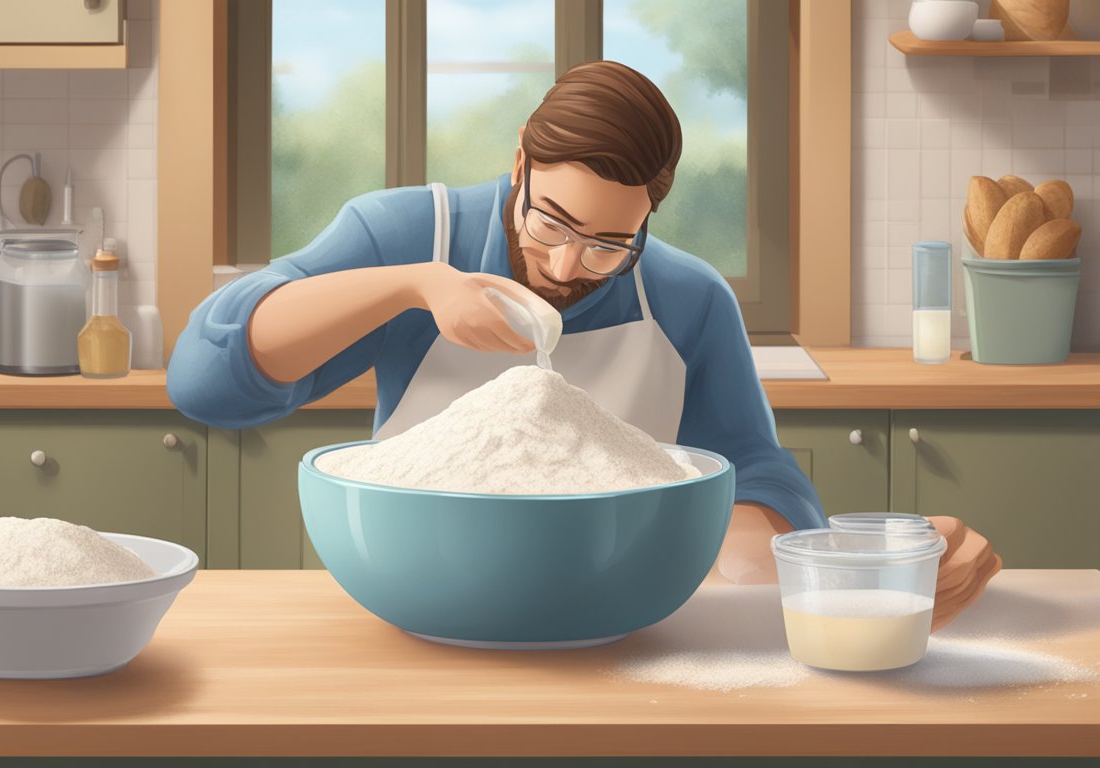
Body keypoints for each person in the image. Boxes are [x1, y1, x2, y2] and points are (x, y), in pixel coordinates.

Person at [168, 60, 1000, 630]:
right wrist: (413, 285)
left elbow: (752, 472)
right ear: (521, 163)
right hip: (419, 602)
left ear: (649, 219)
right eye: (551, 220)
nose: (568, 265)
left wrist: (794, 583)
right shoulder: (410, 231)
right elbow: (208, 378)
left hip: (618, 626)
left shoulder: (687, 300)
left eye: (610, 241)